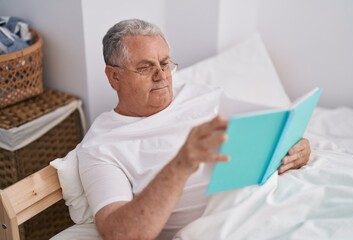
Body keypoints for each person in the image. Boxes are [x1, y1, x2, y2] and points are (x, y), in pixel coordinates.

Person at [77, 18, 311, 240]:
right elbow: (119, 234)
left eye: (165, 63)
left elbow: (269, 128)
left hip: (281, 199)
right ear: (114, 76)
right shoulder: (101, 145)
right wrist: (182, 163)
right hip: (225, 226)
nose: (161, 76)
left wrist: (296, 146)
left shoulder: (200, 95)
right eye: (145, 67)